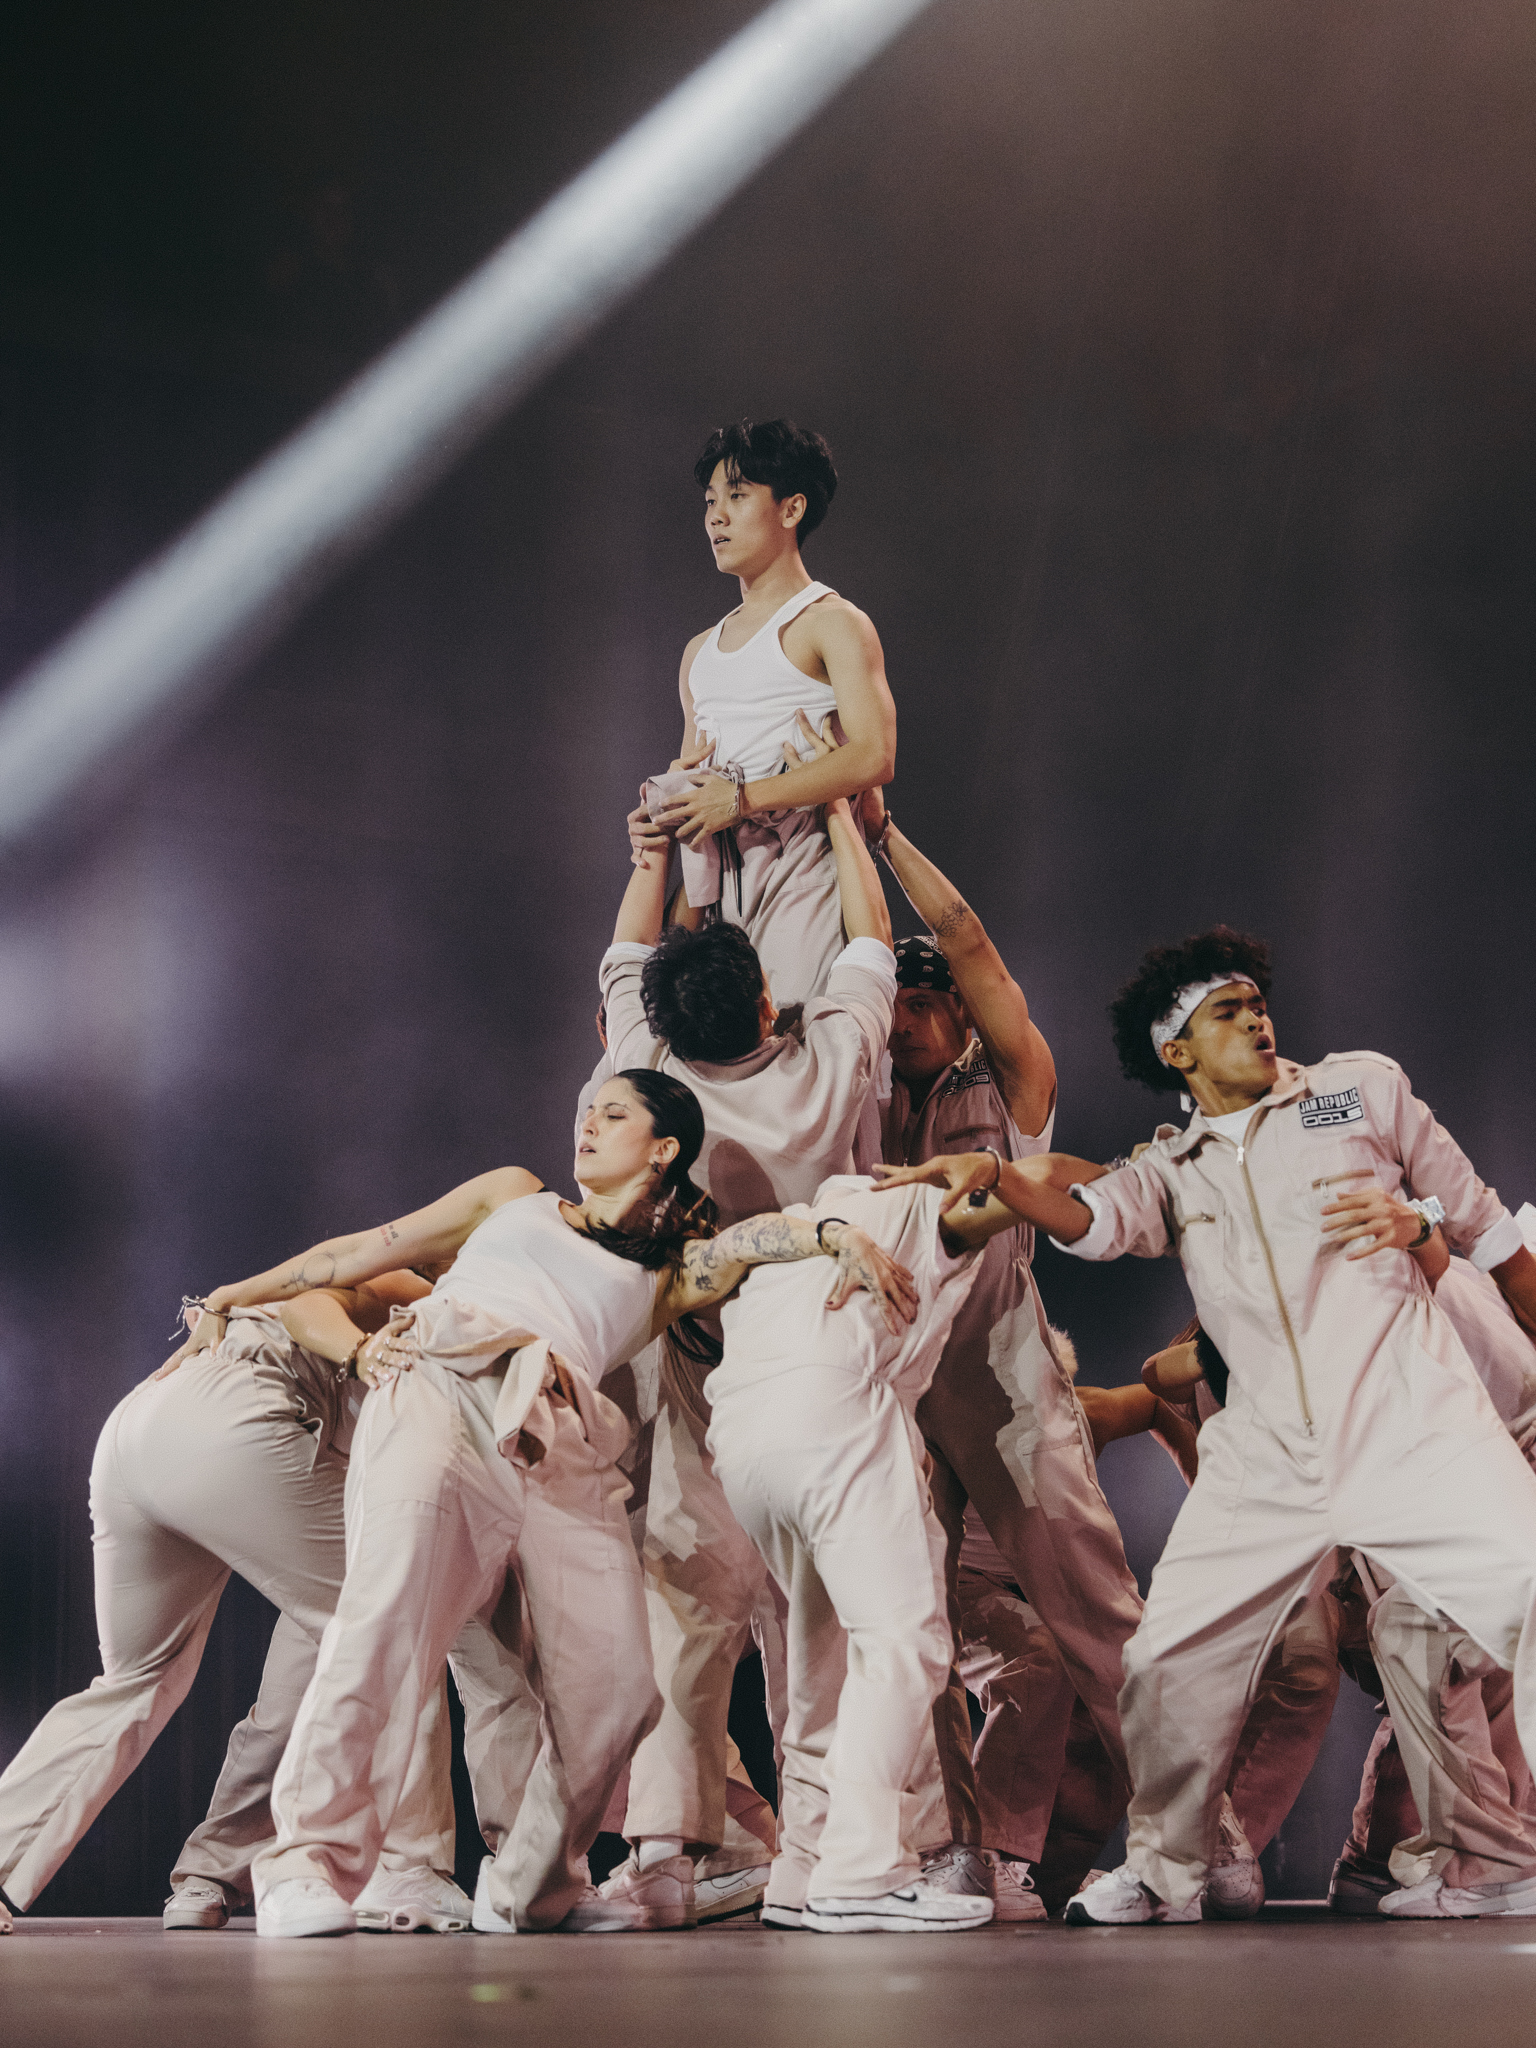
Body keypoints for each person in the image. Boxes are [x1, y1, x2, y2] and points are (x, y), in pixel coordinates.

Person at [874, 926, 1536, 1926]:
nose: (1257, 1016)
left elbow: (1488, 1228)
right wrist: (997, 1180)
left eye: (1257, 1000)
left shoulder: (1359, 1089)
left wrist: (1428, 1221)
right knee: (1164, 1660)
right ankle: (1166, 1867)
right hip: (1267, 1456)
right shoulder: (1174, 1166)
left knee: (1527, 1593)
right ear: (1175, 1047)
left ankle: (1499, 1861)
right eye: (1225, 1010)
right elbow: (1093, 1220)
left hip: (1409, 1426)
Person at [182, 1070, 914, 1937]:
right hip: (445, 1382)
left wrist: (830, 1232)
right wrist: (240, 1294)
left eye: (614, 1114)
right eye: (584, 1112)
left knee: (617, 1691)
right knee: (385, 1619)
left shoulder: (669, 1274)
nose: (588, 1125)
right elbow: (356, 1253)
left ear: (664, 1148)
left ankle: (534, 1886)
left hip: (561, 1437)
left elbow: (751, 1241)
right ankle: (306, 1863)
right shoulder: (514, 1198)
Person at [594, 790, 898, 1927]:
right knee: (818, 1611)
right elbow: (867, 942)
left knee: (690, 1605)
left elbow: (629, 954)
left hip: (691, 1353)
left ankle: (665, 1853)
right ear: (770, 996)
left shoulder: (644, 1083)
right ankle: (819, 1854)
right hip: (813, 1349)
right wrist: (844, 829)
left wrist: (655, 855)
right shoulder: (823, 1066)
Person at [847, 762, 1143, 1923]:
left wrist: (879, 832)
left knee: (1094, 1611)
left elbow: (962, 933)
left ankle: (1189, 1834)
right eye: (900, 1000)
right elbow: (850, 978)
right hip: (896, 1389)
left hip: (1005, 1375)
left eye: (929, 999)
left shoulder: (1014, 1089)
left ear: (962, 1015)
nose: (911, 1011)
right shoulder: (853, 1090)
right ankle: (965, 1853)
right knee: (908, 1628)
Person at [0, 1279, 466, 1937]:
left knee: (135, 1683)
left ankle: (205, 1873)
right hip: (230, 1420)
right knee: (394, 1622)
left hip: (141, 1432)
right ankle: (403, 1871)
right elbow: (315, 1303)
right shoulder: (433, 1290)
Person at [705, 1163, 1060, 1931]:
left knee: (819, 1659)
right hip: (833, 1415)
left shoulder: (786, 1240)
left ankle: (801, 1866)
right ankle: (862, 1870)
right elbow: (1029, 1197)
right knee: (908, 1644)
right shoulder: (910, 1207)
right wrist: (977, 1171)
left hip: (741, 1440)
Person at [643, 418, 897, 1006]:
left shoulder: (833, 622)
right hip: (717, 910)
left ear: (791, 509)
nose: (715, 517)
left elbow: (874, 754)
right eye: (710, 501)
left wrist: (743, 799)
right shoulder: (697, 653)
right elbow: (696, 793)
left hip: (806, 885)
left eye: (737, 496)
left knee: (798, 1062)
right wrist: (663, 818)